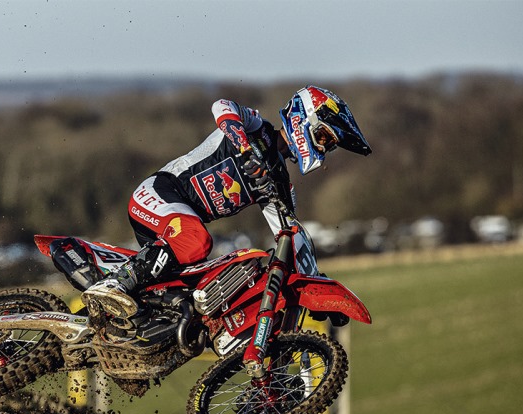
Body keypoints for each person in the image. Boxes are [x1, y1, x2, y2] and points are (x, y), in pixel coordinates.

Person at [81, 85, 372, 319]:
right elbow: (222, 106)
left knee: (197, 296)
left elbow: (291, 236)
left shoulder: (279, 184)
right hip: (160, 194)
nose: (323, 147)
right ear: (302, 118)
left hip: (178, 228)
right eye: (323, 136)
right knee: (198, 240)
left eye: (329, 144)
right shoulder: (257, 129)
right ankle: (116, 283)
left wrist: (318, 287)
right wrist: (246, 151)